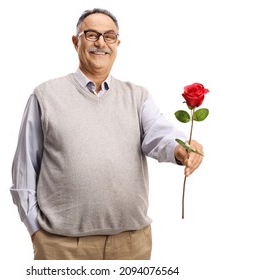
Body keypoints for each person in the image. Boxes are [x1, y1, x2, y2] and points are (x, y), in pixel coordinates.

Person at [10, 8, 204, 260]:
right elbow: (24, 170)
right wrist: (37, 232)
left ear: (117, 44)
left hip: (131, 244)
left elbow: (160, 136)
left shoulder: (137, 96)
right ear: (75, 41)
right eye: (91, 35)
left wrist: (181, 149)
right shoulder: (45, 96)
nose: (101, 42)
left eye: (109, 36)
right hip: (61, 246)